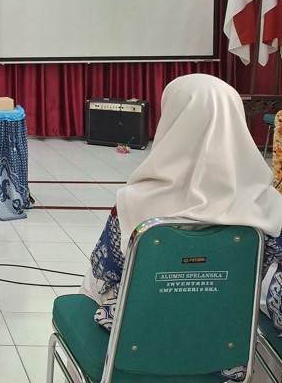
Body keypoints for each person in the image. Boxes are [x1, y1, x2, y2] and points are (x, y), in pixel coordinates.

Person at [80, 74, 282, 379]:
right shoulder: (268, 204)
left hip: (138, 348)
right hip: (226, 350)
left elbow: (104, 277)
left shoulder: (135, 202)